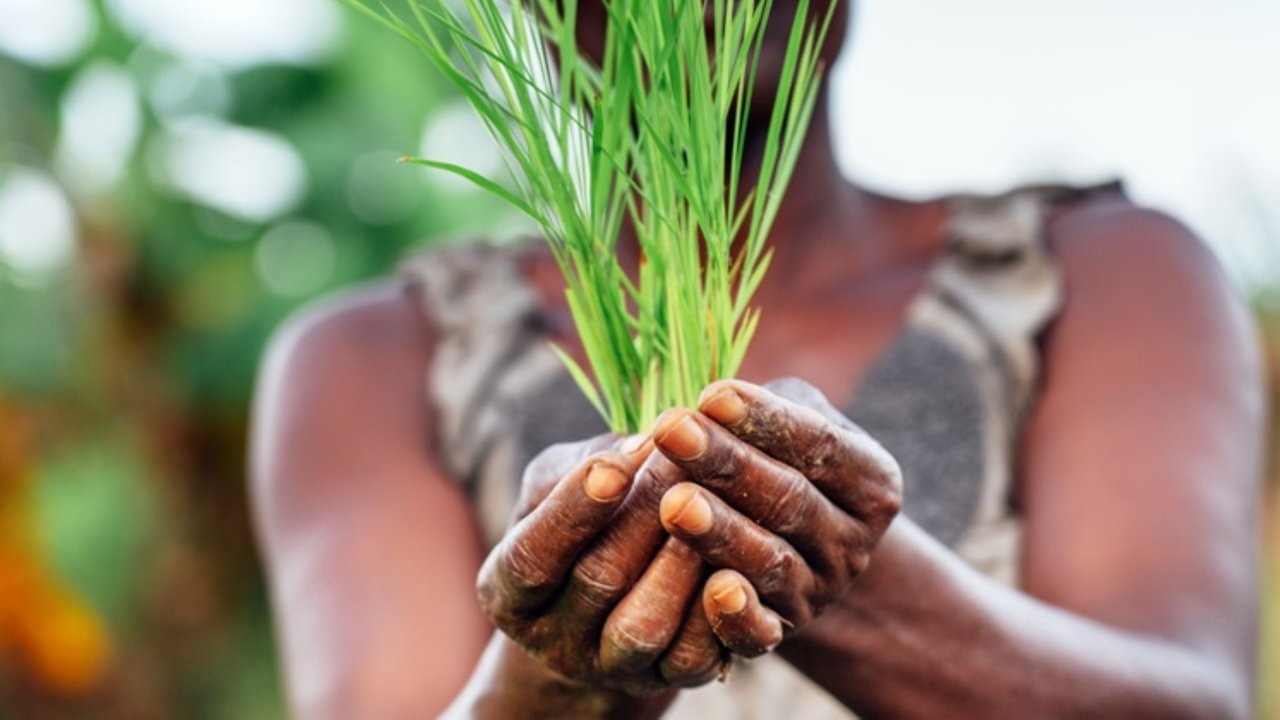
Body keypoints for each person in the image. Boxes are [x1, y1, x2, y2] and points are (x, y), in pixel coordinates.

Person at [249, 2, 1264, 717]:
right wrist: (557, 682)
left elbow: (1192, 699)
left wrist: (822, 558)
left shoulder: (1095, 276)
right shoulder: (377, 361)